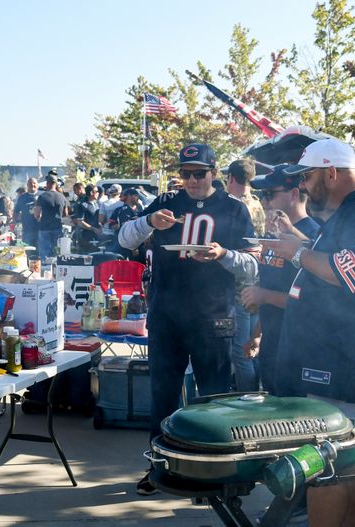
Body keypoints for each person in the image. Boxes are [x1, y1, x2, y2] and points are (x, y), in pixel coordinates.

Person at [263, 139, 355, 527]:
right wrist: (298, 240)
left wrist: (295, 251)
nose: (304, 186)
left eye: (307, 176)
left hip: (351, 364)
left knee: (327, 467)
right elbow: (336, 260)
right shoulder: (350, 213)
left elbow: (353, 271)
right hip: (344, 362)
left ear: (330, 172)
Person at [118, 143, 258, 496]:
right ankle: (159, 468)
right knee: (163, 396)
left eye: (199, 173)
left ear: (214, 173)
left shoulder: (233, 209)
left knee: (213, 400)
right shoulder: (166, 202)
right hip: (166, 315)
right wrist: (149, 221)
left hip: (214, 316)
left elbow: (254, 266)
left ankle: (210, 474)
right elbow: (124, 238)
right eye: (185, 173)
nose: (192, 180)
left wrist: (223, 254)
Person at [241, 164, 320, 393]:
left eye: (270, 194)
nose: (264, 202)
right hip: (273, 344)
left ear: (294, 194)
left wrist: (263, 295)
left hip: (299, 348)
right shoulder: (272, 234)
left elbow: (311, 302)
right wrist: (257, 335)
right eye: (261, 195)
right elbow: (270, 286)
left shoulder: (313, 236)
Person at [226, 159, 266, 392]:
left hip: (240, 285)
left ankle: (247, 401)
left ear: (231, 177)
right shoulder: (258, 204)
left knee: (241, 353)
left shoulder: (234, 206)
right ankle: (259, 393)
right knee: (253, 348)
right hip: (260, 281)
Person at [34, 173, 69, 260]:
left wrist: (39, 219)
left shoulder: (42, 196)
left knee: (44, 253)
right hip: (58, 228)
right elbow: (66, 215)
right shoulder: (62, 197)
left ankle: (45, 270)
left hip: (44, 228)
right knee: (57, 253)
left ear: (47, 183)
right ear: (56, 184)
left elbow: (36, 214)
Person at [111, 188, 144, 261]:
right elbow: (127, 230)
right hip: (128, 246)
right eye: (135, 195)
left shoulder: (139, 209)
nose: (138, 198)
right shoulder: (124, 210)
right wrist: (133, 247)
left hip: (139, 243)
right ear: (129, 196)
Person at [72, 184, 101, 253]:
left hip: (95, 235)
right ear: (91, 193)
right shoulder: (82, 204)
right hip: (84, 236)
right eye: (96, 191)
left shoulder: (96, 203)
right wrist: (93, 228)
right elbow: (80, 222)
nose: (98, 193)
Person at [13, 177, 40, 248]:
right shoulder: (22, 198)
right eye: (30, 183)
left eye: (34, 183)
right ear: (27, 185)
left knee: (40, 253)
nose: (32, 185)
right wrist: (15, 223)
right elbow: (16, 212)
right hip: (27, 230)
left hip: (41, 230)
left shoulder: (42, 196)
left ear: (37, 185)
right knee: (27, 251)